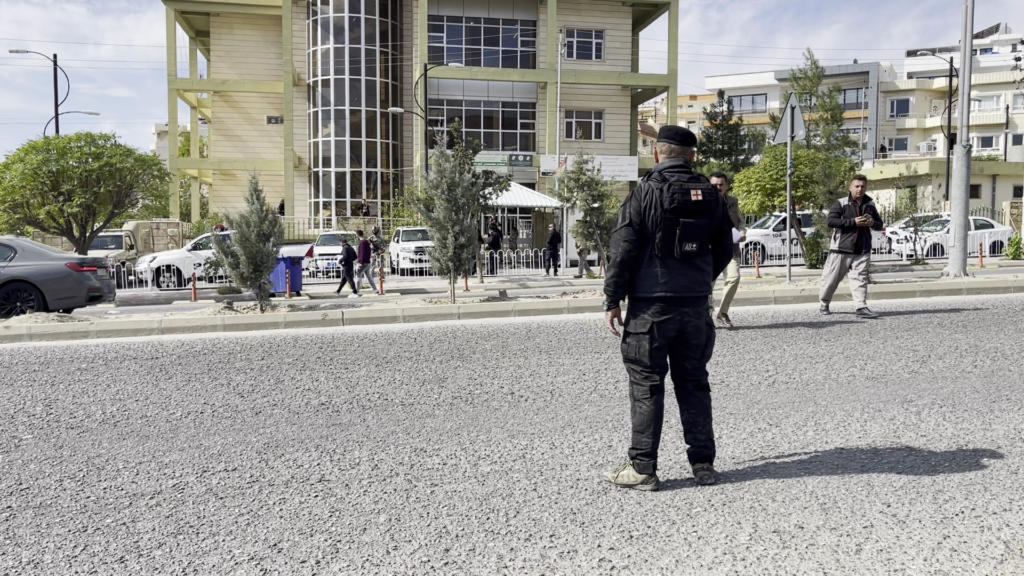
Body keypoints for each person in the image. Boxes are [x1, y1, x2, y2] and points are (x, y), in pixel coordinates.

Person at [602, 126, 733, 491]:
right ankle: (703, 464)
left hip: (651, 309)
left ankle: (643, 468)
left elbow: (623, 250)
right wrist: (698, 279)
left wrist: (613, 300)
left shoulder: (644, 192)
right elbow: (725, 248)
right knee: (694, 383)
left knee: (647, 386)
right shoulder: (712, 194)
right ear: (692, 156)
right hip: (694, 307)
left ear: (658, 154)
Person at [819, 175, 884, 318]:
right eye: (857, 186)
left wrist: (872, 223)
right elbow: (831, 221)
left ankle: (861, 307)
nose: (860, 189)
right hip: (841, 248)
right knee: (831, 279)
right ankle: (824, 303)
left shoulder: (870, 205)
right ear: (850, 188)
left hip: (863, 249)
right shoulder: (841, 203)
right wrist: (853, 222)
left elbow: (880, 225)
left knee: (860, 278)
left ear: (866, 187)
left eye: (862, 186)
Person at [708, 172, 746, 328]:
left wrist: (742, 233)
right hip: (709, 250)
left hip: (730, 248)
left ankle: (722, 313)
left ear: (726, 186)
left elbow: (741, 222)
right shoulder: (704, 202)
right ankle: (706, 313)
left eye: (721, 184)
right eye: (714, 185)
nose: (718, 188)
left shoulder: (732, 202)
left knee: (734, 278)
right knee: (708, 285)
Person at [354, 230, 377, 295]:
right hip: (367, 262)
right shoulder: (366, 242)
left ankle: (356, 292)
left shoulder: (362, 243)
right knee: (369, 276)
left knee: (358, 276)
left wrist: (360, 262)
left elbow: (362, 253)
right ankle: (375, 289)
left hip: (363, 262)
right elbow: (368, 252)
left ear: (357, 235)